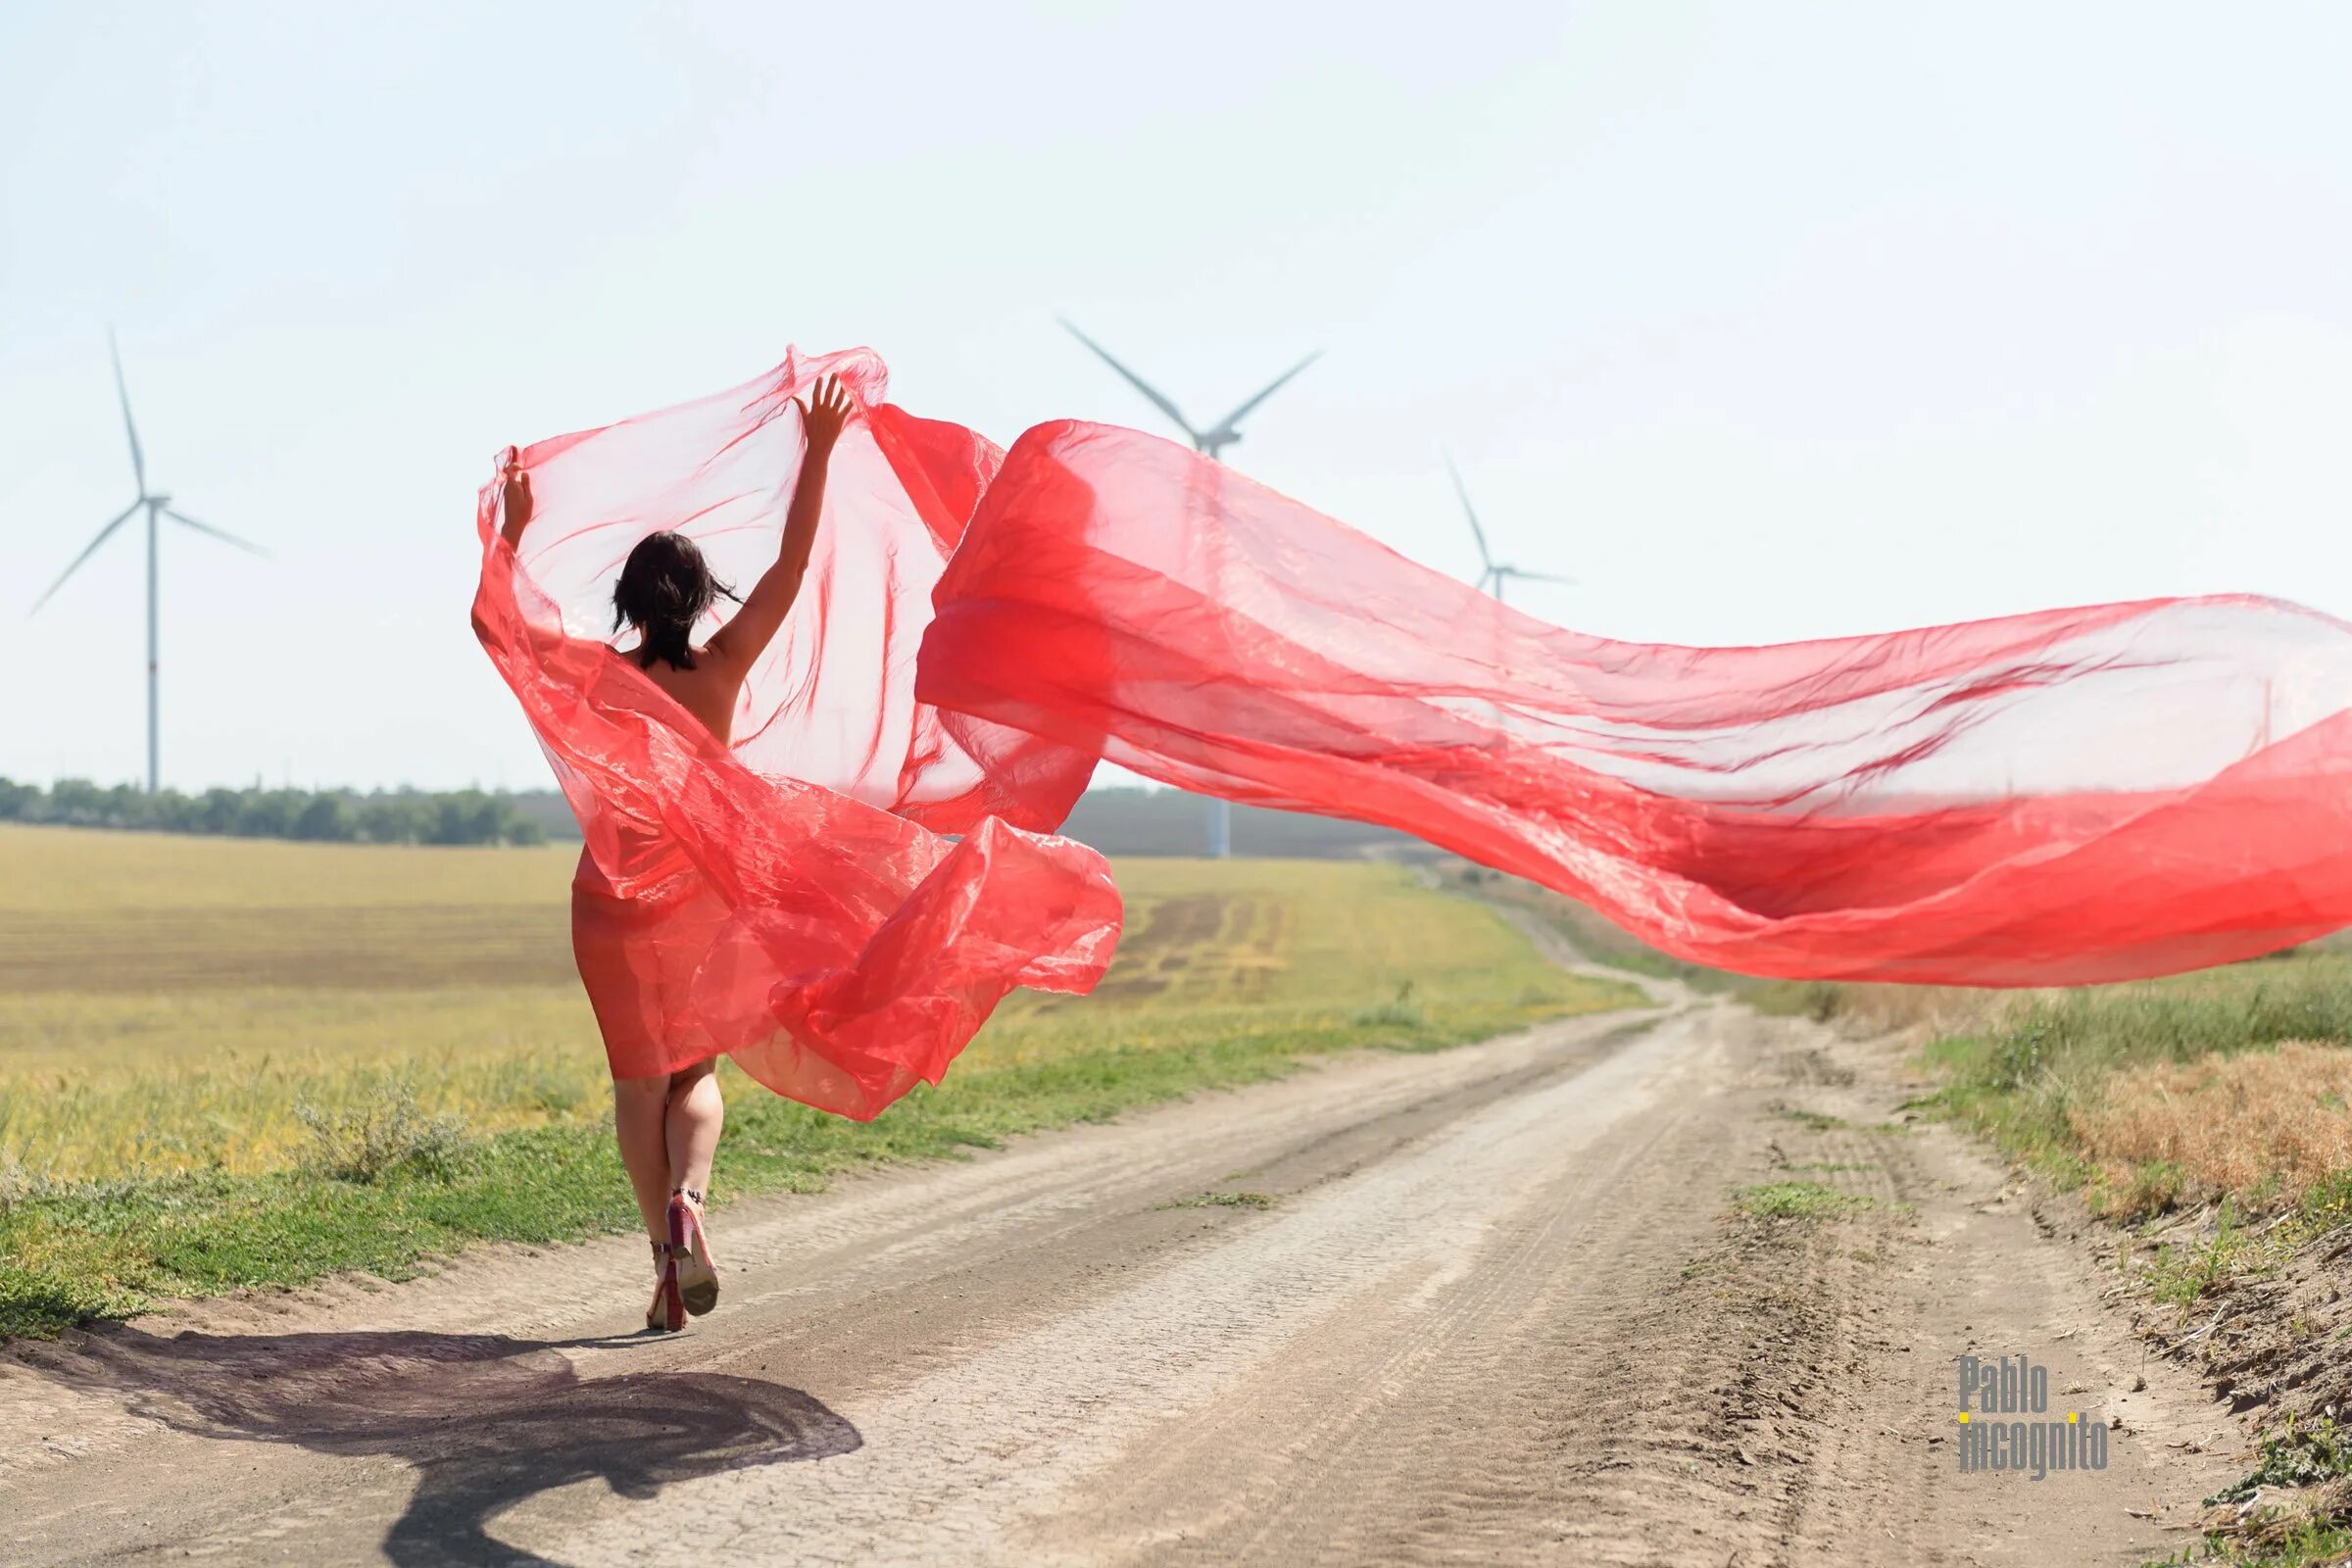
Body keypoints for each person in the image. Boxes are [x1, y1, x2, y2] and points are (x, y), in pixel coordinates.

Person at [497, 373, 857, 1332]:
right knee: (694, 1075)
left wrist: (512, 531)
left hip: (609, 900)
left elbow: (506, 627)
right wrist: (817, 449)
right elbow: (792, 564)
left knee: (634, 1083)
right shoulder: (727, 665)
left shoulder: (599, 677)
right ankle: (689, 1204)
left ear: (624, 600)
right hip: (700, 896)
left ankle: (663, 1267)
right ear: (701, 600)